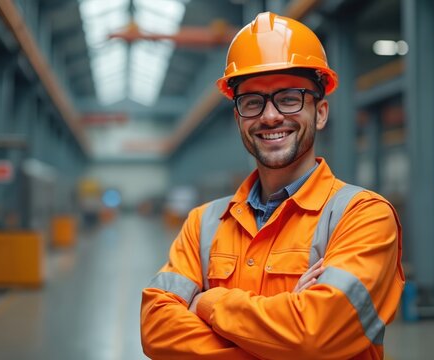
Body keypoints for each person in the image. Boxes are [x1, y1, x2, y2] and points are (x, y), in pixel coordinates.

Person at [141, 12, 404, 360]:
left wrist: (207, 301)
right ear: (238, 119)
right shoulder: (203, 224)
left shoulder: (363, 217)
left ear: (321, 112)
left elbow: (315, 336)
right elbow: (157, 331)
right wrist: (283, 332)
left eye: (290, 98)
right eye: (252, 102)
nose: (270, 116)